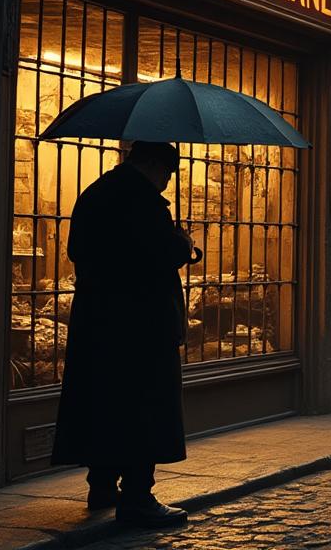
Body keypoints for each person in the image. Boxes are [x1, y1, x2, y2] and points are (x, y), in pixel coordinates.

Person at [51, 141, 196, 527]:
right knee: (142, 408)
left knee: (105, 404)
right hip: (140, 327)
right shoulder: (143, 202)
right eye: (166, 173)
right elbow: (157, 255)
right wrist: (183, 244)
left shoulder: (96, 193)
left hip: (99, 323)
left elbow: (76, 249)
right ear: (151, 164)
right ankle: (137, 496)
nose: (166, 182)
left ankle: (101, 485)